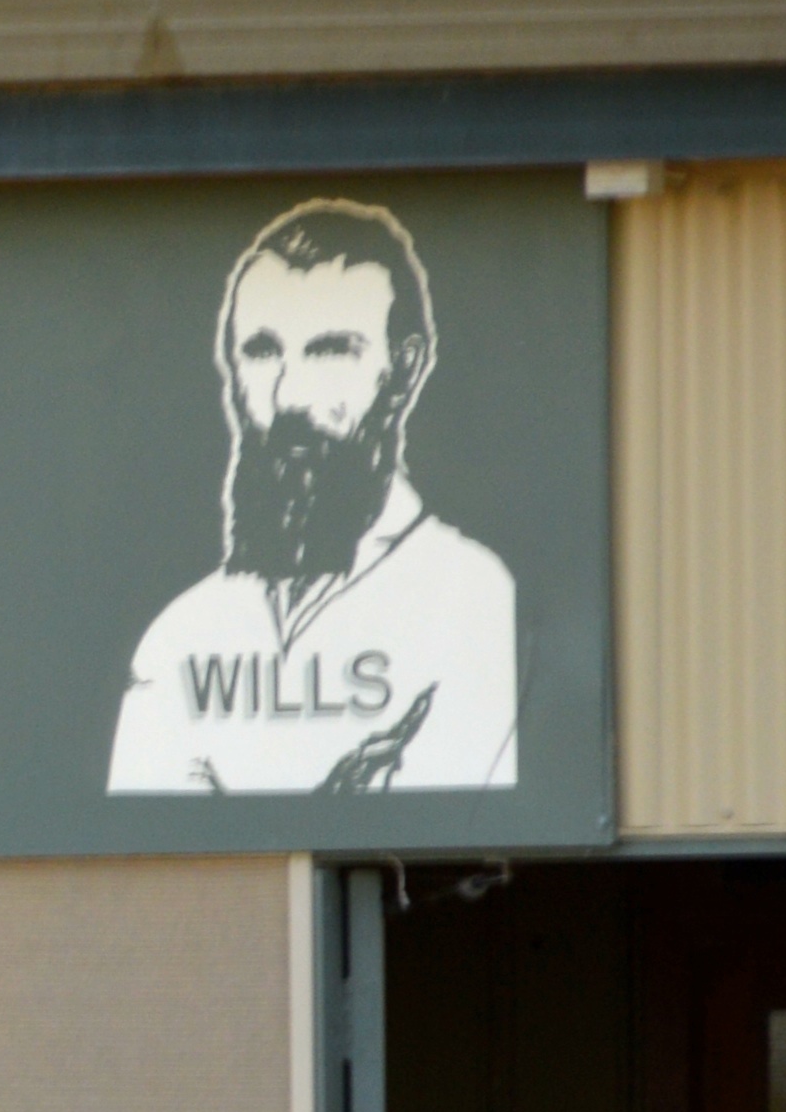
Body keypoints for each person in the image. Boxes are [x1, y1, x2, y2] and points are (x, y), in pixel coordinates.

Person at [104, 199, 516, 794]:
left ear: (404, 370)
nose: (289, 395)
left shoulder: (473, 600)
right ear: (231, 368)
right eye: (262, 351)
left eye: (330, 351)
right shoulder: (182, 634)